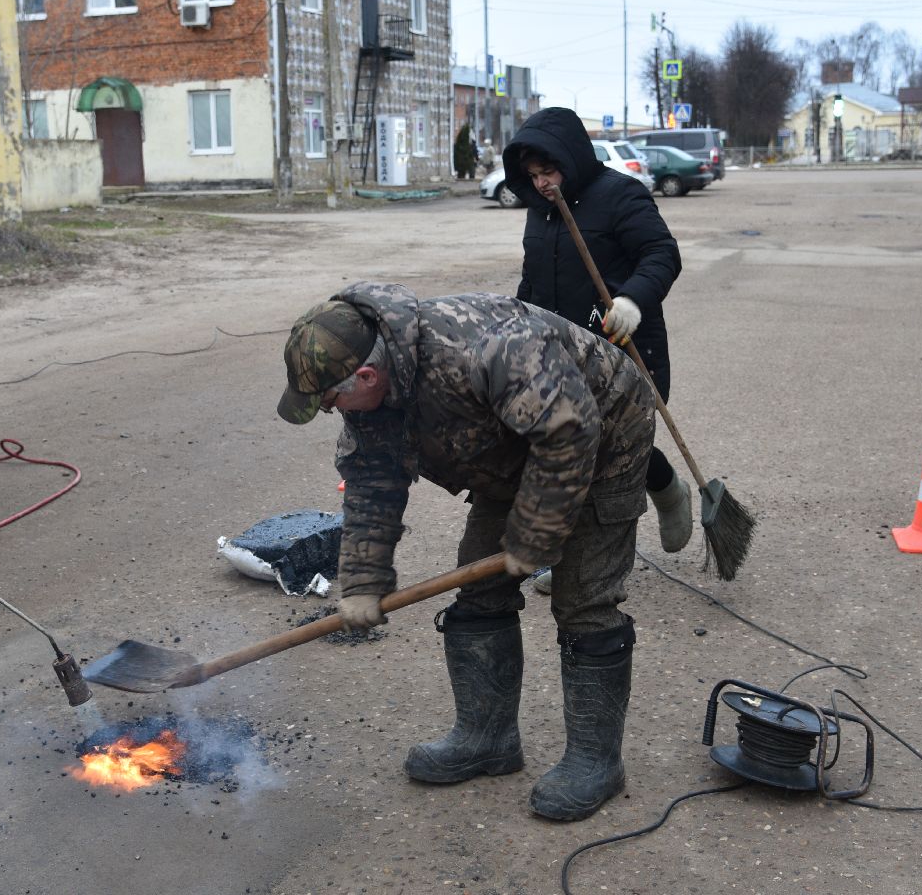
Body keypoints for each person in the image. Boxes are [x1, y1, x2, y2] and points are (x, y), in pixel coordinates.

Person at [277, 282, 655, 820]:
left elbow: (569, 435)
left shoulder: (489, 347)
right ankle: (488, 738)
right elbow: (370, 483)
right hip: (511, 450)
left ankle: (596, 762)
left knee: (584, 600)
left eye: (331, 400)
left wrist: (535, 535)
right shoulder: (372, 397)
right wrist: (362, 580)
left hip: (602, 431)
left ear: (365, 376)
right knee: (478, 588)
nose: (331, 412)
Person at [499, 108, 690, 599]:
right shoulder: (540, 209)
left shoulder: (620, 195)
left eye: (549, 172)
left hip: (623, 348)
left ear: (572, 158)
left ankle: (666, 491)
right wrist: (516, 321)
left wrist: (632, 300)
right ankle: (562, 556)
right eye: (534, 176)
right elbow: (534, 277)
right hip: (561, 353)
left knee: (618, 450)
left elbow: (662, 254)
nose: (542, 184)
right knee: (568, 450)